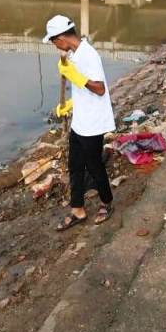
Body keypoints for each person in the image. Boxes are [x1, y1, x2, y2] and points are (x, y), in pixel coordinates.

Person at [44, 14, 117, 230]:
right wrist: (69, 104)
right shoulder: (74, 55)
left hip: (92, 123)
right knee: (75, 166)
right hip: (80, 121)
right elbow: (83, 91)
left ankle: (107, 202)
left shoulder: (88, 55)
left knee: (94, 166)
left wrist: (75, 76)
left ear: (61, 38)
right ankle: (78, 209)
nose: (55, 46)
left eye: (54, 42)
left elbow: (99, 89)